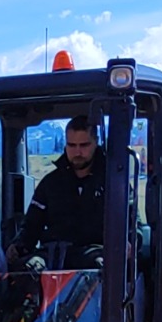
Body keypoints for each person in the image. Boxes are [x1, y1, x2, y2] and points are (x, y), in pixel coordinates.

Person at [9, 115, 106, 271]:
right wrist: (19, 246)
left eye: (84, 145)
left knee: (101, 268)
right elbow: (32, 225)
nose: (78, 152)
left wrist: (129, 242)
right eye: (72, 145)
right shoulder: (50, 183)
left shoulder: (112, 184)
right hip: (54, 254)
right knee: (29, 269)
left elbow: (133, 225)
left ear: (95, 143)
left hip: (93, 253)